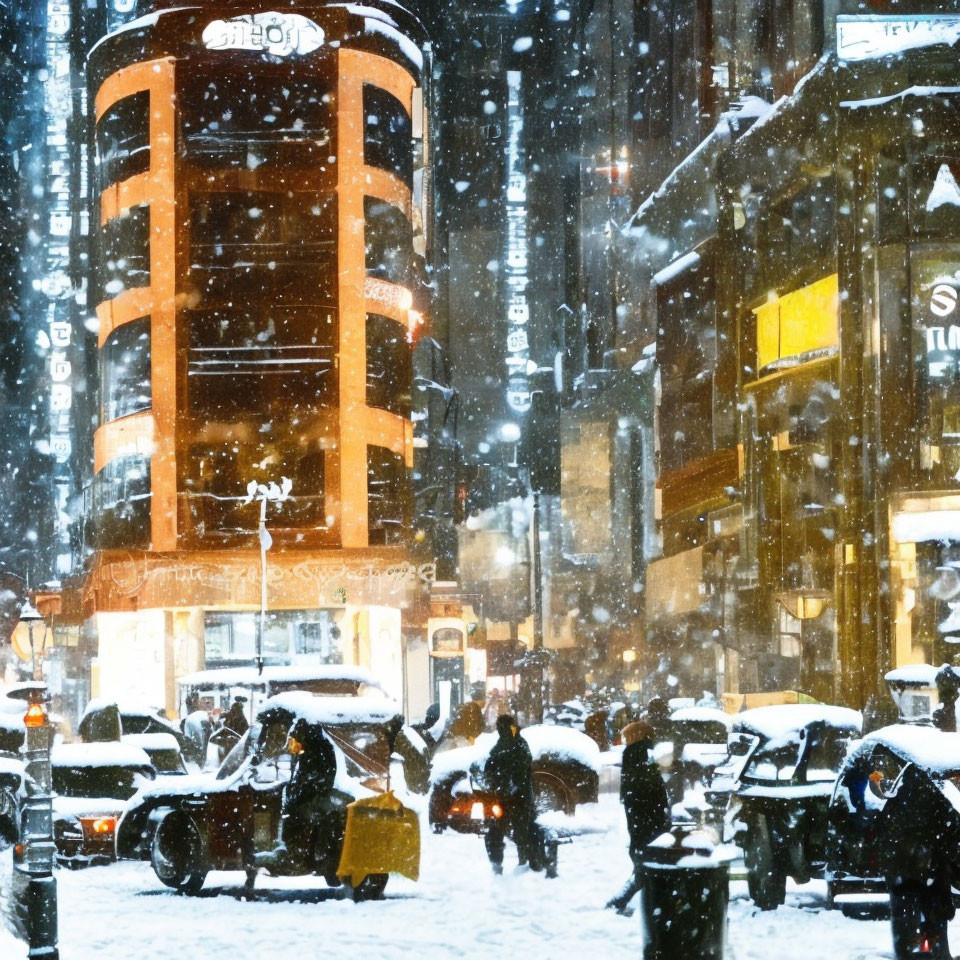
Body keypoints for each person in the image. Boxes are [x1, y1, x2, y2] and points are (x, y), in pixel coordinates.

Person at [876, 762, 960, 959]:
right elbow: (952, 833)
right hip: (932, 871)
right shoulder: (941, 800)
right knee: (935, 915)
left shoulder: (897, 800)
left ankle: (907, 950)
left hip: (903, 873)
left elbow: (883, 830)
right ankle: (938, 952)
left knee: (905, 914)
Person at [607, 720, 670, 914]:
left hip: (641, 812)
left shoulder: (634, 752)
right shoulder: (652, 752)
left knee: (643, 855)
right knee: (649, 855)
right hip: (652, 812)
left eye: (628, 736)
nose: (625, 740)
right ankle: (642, 896)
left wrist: (630, 801)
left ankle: (625, 898)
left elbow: (634, 784)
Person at [482, 714, 542, 874]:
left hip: (518, 797)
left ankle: (525, 864)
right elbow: (491, 765)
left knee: (520, 831)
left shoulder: (517, 744)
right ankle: (500, 865)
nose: (500, 730)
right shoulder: (505, 744)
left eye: (502, 727)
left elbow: (519, 767)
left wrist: (506, 779)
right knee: (500, 832)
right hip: (506, 797)